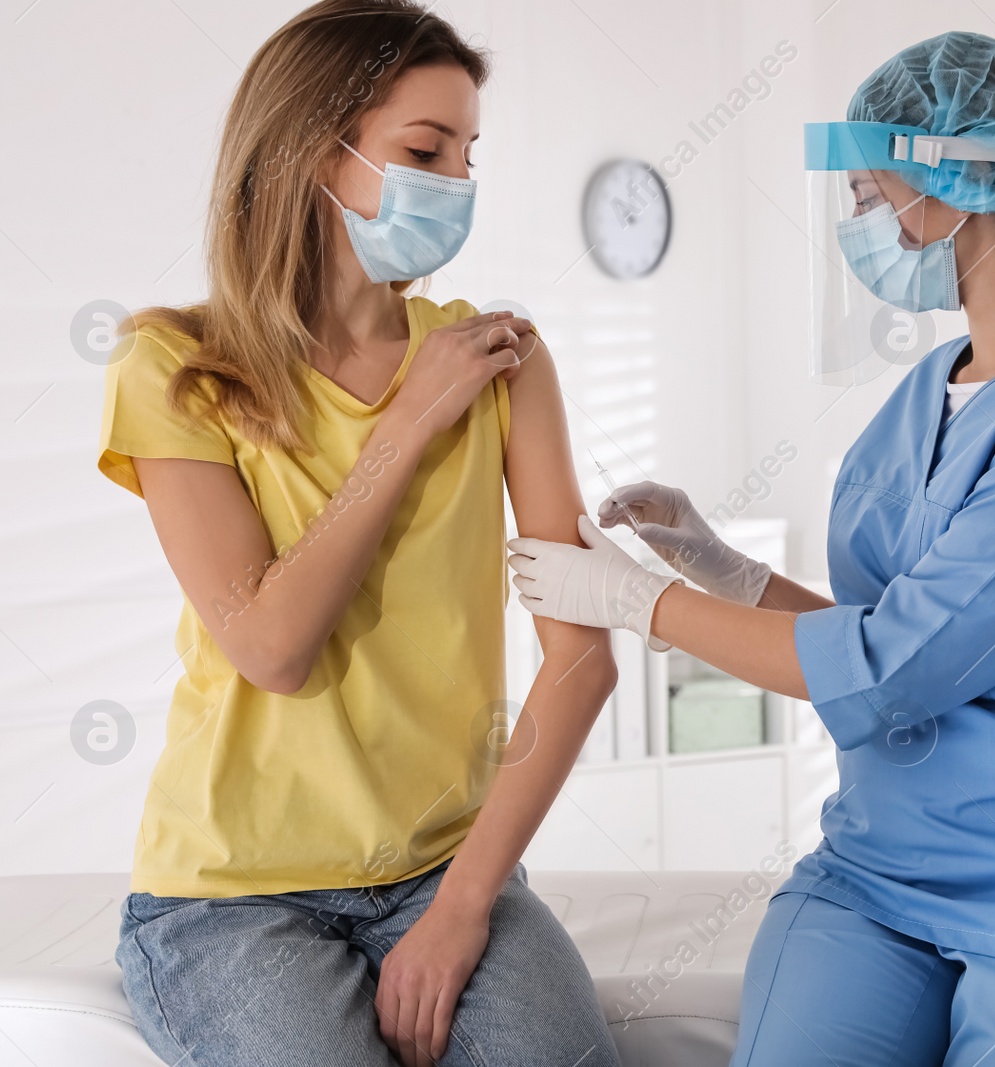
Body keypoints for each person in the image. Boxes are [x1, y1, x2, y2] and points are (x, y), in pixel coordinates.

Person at [506, 31, 995, 1067]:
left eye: (867, 195)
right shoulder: (927, 388)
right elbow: (882, 629)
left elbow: (898, 665)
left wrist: (638, 601)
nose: (857, 225)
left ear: (950, 184)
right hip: (879, 869)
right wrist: (727, 570)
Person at [97, 3, 619, 1065]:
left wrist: (465, 903)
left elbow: (583, 657)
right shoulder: (176, 369)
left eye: (469, 156)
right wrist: (412, 417)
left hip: (444, 866)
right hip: (233, 898)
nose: (457, 184)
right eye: (425, 152)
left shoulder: (504, 360)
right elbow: (269, 647)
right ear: (305, 150)